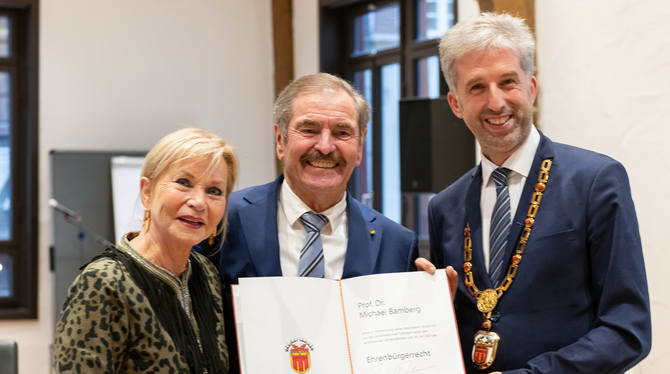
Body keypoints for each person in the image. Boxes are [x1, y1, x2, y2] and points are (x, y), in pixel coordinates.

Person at [422, 12, 651, 373]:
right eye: (477, 87)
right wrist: (431, 307)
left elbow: (627, 329)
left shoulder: (594, 181)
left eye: (507, 81)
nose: (496, 102)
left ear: (530, 87)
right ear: (455, 104)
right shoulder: (444, 206)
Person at [195, 73, 426, 374]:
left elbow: (402, 350)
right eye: (309, 129)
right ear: (281, 140)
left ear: (360, 146)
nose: (326, 147)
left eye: (343, 132)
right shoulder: (224, 219)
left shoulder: (396, 243)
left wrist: (430, 311)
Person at [54, 128, 238, 374]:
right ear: (147, 192)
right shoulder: (103, 283)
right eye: (184, 183)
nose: (199, 202)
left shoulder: (207, 274)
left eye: (214, 191)